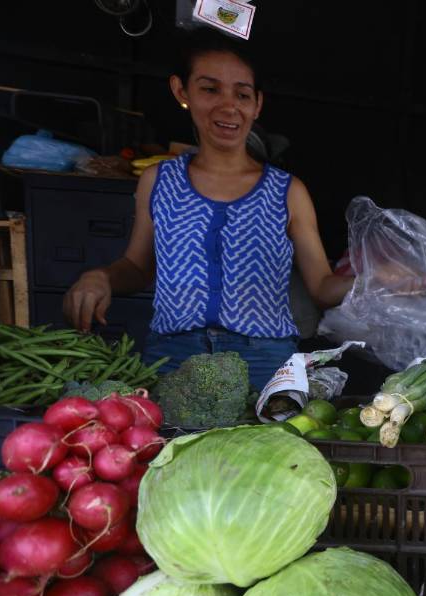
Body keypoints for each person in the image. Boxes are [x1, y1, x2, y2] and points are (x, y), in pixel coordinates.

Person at [63, 33, 353, 388]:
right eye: (210, 89)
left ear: (257, 104)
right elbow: (137, 267)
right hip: (173, 358)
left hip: (264, 362)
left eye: (242, 95)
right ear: (181, 91)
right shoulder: (158, 181)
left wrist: (378, 283)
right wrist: (102, 277)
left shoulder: (288, 191)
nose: (228, 107)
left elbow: (322, 287)